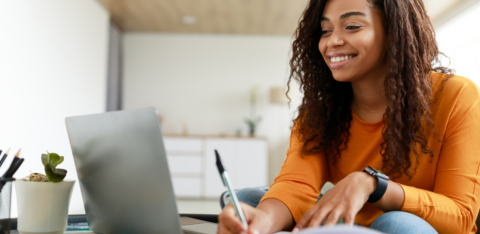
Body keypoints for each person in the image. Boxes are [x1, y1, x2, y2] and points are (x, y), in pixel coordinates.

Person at [217, 0, 480, 233]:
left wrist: (372, 184)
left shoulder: (456, 95)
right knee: (247, 200)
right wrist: (260, 223)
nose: (332, 42)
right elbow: (296, 184)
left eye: (352, 26)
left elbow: (461, 217)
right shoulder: (320, 113)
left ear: (394, 32)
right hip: (350, 225)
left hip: (412, 226)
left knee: (396, 222)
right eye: (326, 30)